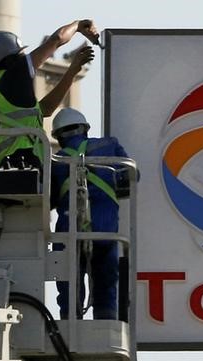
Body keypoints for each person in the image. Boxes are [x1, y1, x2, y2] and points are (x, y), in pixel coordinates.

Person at [0, 21, 99, 167]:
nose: (23, 56)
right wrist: (78, 25)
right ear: (10, 58)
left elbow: (46, 108)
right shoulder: (14, 75)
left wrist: (72, 71)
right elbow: (57, 39)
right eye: (20, 53)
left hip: (7, 166)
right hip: (23, 162)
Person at [51, 108, 130, 320]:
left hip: (69, 235)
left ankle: (70, 322)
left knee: (69, 284)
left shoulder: (55, 162)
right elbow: (131, 177)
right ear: (85, 129)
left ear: (58, 137)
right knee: (105, 282)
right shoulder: (109, 146)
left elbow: (47, 200)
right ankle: (106, 325)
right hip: (104, 232)